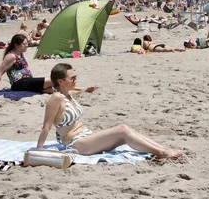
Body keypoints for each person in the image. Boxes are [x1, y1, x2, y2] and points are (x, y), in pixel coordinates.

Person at [35, 63, 182, 159]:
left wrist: (87, 89)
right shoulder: (56, 98)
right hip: (76, 143)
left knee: (126, 131)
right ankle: (161, 153)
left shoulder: (69, 94)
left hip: (86, 136)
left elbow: (78, 90)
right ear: (60, 81)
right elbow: (46, 126)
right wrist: (39, 149)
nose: (75, 80)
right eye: (72, 78)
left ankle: (162, 148)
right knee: (122, 129)